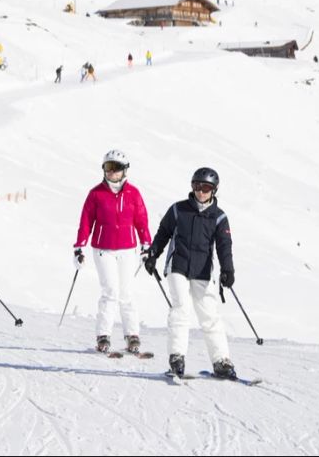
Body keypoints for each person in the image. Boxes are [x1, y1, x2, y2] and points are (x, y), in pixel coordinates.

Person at [143, 167, 237, 379]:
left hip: (203, 271)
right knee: (181, 309)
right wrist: (153, 255)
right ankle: (177, 357)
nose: (201, 192)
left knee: (209, 315)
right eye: (197, 186)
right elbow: (163, 233)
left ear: (214, 190)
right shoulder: (178, 210)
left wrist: (228, 270)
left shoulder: (219, 217)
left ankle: (221, 361)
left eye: (206, 188)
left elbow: (224, 246)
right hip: (178, 266)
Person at [73, 150, 151, 354]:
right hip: (103, 249)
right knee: (110, 292)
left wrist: (146, 244)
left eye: (116, 168)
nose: (112, 172)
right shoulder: (96, 193)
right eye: (108, 168)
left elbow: (141, 220)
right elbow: (86, 221)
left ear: (125, 170)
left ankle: (132, 335)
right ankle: (103, 336)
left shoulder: (133, 193)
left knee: (126, 293)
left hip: (127, 249)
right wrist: (79, 246)